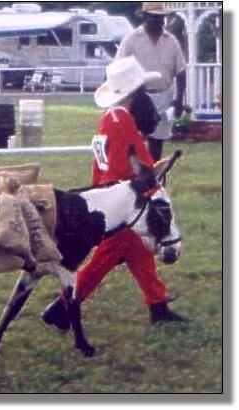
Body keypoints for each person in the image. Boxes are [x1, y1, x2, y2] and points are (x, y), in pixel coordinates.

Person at [42, 56, 187, 330]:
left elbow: (107, 165)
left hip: (110, 198)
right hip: (122, 203)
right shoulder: (124, 121)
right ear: (133, 94)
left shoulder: (108, 118)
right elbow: (131, 165)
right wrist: (152, 181)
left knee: (139, 254)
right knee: (104, 260)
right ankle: (61, 308)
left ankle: (158, 306)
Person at [115, 2, 187, 161]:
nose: (159, 21)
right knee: (133, 142)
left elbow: (181, 72)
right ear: (145, 17)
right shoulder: (131, 39)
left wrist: (179, 100)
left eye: (161, 17)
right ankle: (135, 175)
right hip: (138, 97)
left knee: (156, 145)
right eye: (155, 17)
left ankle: (155, 175)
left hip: (163, 96)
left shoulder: (171, 41)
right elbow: (119, 67)